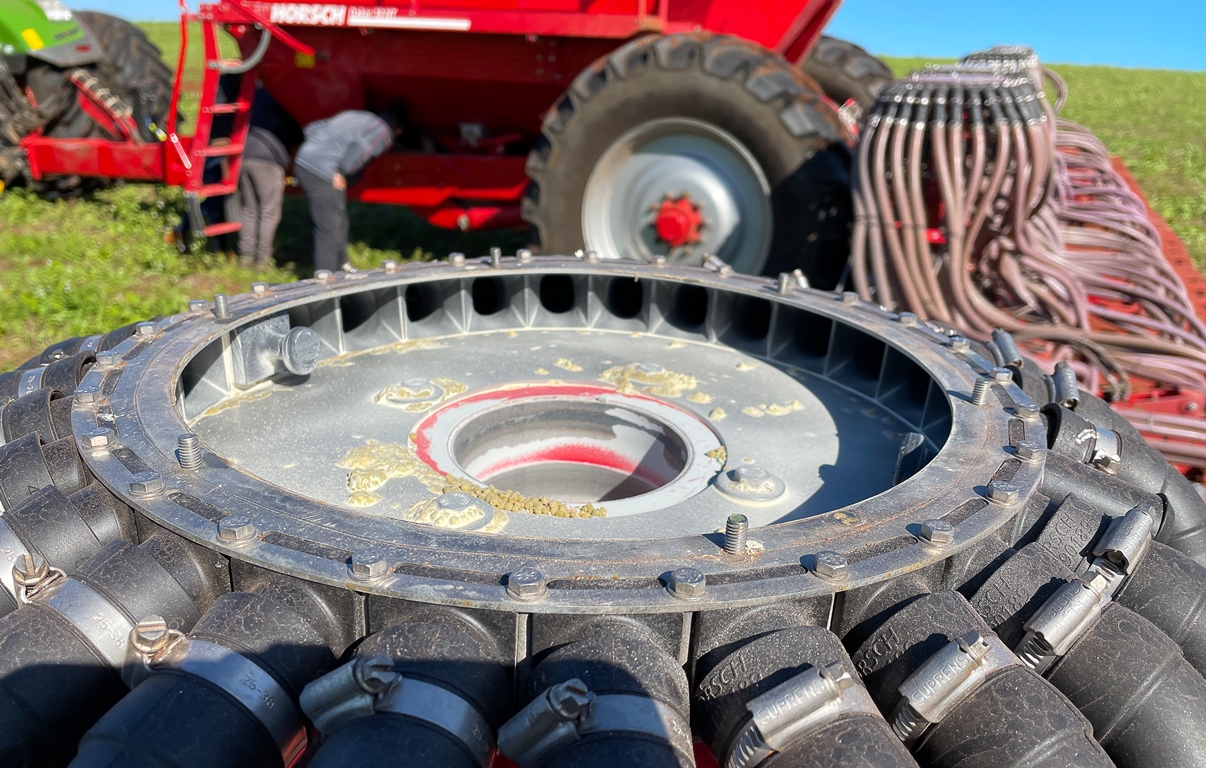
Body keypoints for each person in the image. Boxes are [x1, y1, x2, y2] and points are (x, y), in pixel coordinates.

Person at [294, 106, 405, 273]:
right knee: (329, 226)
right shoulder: (383, 130)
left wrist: (317, 150)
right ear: (399, 130)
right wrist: (342, 172)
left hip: (304, 161)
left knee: (339, 219)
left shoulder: (355, 115)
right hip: (324, 172)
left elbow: (312, 128)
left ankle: (341, 265)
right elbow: (363, 150)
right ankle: (325, 276)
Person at [237, 124, 290, 269]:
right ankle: (263, 260)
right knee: (269, 212)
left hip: (244, 157)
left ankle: (246, 257)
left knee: (249, 210)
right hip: (268, 161)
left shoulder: (261, 109)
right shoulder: (286, 113)